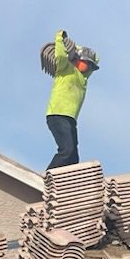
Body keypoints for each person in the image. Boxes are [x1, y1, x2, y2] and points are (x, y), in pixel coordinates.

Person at [45, 30, 99, 169]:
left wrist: (81, 49)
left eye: (91, 66)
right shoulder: (65, 68)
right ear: (78, 59)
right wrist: (59, 39)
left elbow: (97, 59)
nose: (89, 67)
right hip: (57, 115)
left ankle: (65, 183)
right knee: (66, 150)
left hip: (70, 119)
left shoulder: (84, 78)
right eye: (87, 63)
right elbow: (61, 56)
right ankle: (47, 177)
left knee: (73, 157)